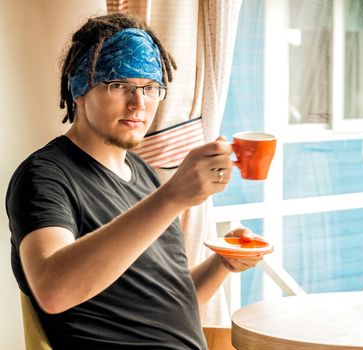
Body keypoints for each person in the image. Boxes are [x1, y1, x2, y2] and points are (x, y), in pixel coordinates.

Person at [6, 13, 263, 349]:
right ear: (79, 89)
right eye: (118, 85)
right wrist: (172, 197)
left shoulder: (142, 173)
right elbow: (54, 291)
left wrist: (223, 263)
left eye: (150, 88)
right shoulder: (45, 176)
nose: (139, 103)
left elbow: (170, 306)